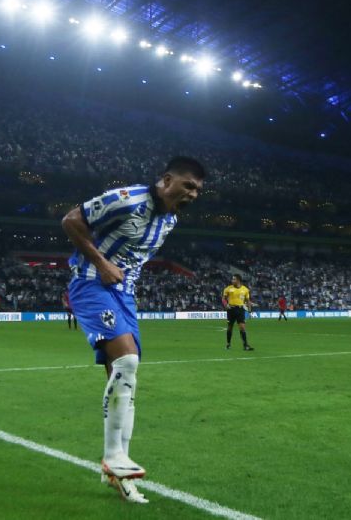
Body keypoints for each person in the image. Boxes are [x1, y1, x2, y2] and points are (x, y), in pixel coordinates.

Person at [61, 156, 205, 504]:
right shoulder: (127, 199)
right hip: (92, 283)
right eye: (188, 185)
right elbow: (71, 220)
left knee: (125, 376)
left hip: (124, 295)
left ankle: (118, 472)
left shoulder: (169, 218)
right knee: (127, 362)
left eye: (199, 190)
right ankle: (113, 456)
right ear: (167, 179)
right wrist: (101, 261)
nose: (193, 194)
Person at [222, 274, 255, 351]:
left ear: (238, 280)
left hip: (240, 310)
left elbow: (248, 301)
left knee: (242, 328)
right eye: (232, 279)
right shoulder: (228, 289)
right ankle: (228, 344)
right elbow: (223, 298)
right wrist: (226, 305)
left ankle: (245, 345)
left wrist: (250, 311)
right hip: (231, 310)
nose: (232, 280)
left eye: (234, 279)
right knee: (230, 327)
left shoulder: (245, 289)